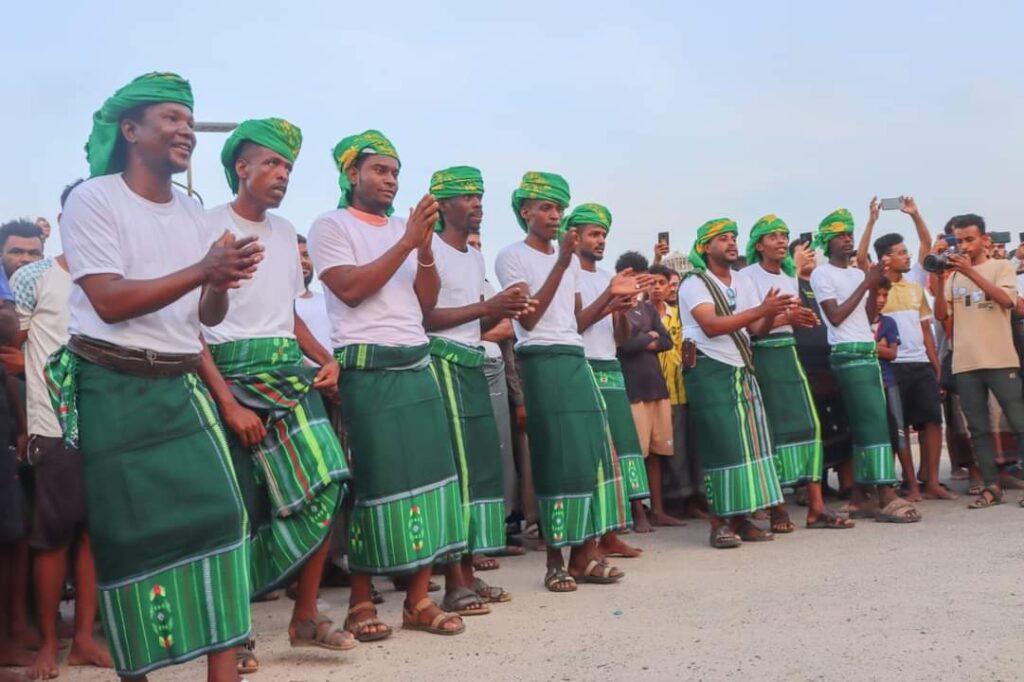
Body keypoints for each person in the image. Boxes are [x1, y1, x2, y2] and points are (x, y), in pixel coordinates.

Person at [48, 72, 263, 681]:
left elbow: (205, 317)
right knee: (129, 539)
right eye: (172, 118)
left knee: (223, 516)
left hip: (180, 384)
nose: (186, 131)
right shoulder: (94, 199)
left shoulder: (193, 211)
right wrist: (203, 269)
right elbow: (109, 301)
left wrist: (218, 282)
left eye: (190, 121)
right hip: (113, 385)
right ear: (131, 129)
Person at [196, 119, 354, 673]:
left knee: (326, 480)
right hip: (225, 372)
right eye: (271, 163)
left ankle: (306, 614)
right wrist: (228, 402)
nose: (282, 174)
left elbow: (287, 315)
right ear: (241, 167)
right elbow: (190, 324)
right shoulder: (205, 223)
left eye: (288, 166)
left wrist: (324, 358)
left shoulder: (287, 232)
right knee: (238, 508)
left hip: (286, 369)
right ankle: (233, 634)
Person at [308, 130, 467, 639]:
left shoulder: (406, 229)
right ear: (352, 174)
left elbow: (425, 302)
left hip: (415, 362)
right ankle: (360, 599)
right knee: (373, 483)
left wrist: (421, 249)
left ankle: (419, 600)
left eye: (395, 172)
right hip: (367, 366)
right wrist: (406, 242)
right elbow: (351, 290)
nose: (390, 180)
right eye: (380, 170)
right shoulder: (330, 225)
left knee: (430, 479)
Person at [495, 173, 635, 591]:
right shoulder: (511, 256)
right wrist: (560, 262)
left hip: (575, 356)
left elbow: (574, 322)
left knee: (588, 453)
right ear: (525, 212)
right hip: (540, 359)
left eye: (558, 207)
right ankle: (555, 560)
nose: (554, 215)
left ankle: (583, 556)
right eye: (545, 207)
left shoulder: (571, 262)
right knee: (554, 455)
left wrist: (612, 300)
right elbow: (531, 318)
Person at [12, 180, 113, 680]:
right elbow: (16, 349)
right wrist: (28, 419)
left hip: (113, 423)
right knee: (52, 538)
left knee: (95, 534)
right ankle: (49, 644)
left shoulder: (120, 276)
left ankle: (85, 641)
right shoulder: (35, 277)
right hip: (56, 429)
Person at [421, 166, 528, 614]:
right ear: (442, 205)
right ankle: (452, 581)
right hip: (441, 361)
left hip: (473, 363)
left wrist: (508, 308)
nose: (477, 204)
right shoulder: (427, 250)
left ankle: (467, 573)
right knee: (457, 473)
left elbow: (477, 319)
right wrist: (489, 306)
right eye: (467, 197)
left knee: (480, 470)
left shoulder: (473, 257)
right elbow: (424, 318)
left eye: (480, 196)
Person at [679, 218, 788, 548]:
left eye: (733, 238)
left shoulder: (742, 280)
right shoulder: (694, 282)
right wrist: (761, 309)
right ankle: (718, 523)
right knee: (721, 445)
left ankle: (741, 518)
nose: (730, 243)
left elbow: (757, 330)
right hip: (710, 369)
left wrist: (772, 312)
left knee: (750, 445)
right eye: (722, 239)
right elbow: (710, 326)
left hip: (741, 367)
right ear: (705, 247)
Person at [809, 209, 921, 523]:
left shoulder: (858, 274)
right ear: (827, 241)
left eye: (849, 233)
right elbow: (834, 316)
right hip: (847, 353)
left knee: (867, 423)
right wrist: (866, 283)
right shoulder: (822, 274)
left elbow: (870, 316)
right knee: (872, 422)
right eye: (840, 235)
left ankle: (861, 497)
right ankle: (885, 492)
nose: (847, 239)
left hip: (866, 352)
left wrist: (873, 285)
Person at [744, 215, 853, 529]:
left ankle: (816, 507)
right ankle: (777, 506)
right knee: (772, 432)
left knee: (811, 426)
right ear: (758, 244)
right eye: (773, 236)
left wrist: (796, 318)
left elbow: (786, 318)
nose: (780, 240)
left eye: (784, 235)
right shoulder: (747, 276)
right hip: (764, 357)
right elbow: (754, 327)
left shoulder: (790, 276)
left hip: (791, 354)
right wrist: (783, 317)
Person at [858, 197, 951, 501]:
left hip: (921, 363)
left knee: (931, 421)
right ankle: (906, 485)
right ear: (886, 259)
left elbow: (925, 329)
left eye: (906, 251)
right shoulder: (877, 285)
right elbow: (861, 257)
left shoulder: (914, 284)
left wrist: (915, 214)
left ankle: (932, 481)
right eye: (900, 253)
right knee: (898, 425)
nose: (907, 256)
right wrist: (871, 221)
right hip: (892, 366)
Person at [568, 204, 649, 551]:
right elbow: (575, 324)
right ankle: (592, 538)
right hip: (584, 365)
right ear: (576, 236)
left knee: (622, 448)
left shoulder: (606, 277)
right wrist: (609, 299)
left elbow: (620, 336)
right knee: (595, 453)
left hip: (610, 366)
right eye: (594, 234)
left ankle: (614, 533)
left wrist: (623, 309)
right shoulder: (567, 273)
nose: (600, 241)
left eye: (604, 235)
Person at [932, 214, 1024, 508]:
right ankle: (991, 486)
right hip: (966, 363)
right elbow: (940, 315)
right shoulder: (955, 275)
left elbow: (1008, 302)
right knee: (978, 429)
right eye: (959, 241)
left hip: (1000, 359)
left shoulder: (1001, 266)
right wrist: (938, 278)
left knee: (1019, 421)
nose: (964, 246)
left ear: (985, 239)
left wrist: (971, 272)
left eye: (969, 240)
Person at [614, 251, 685, 530]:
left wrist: (645, 338)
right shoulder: (617, 310)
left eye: (640, 277)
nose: (637, 282)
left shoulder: (646, 310)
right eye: (631, 276)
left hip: (657, 387)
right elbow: (625, 345)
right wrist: (649, 337)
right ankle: (637, 512)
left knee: (657, 453)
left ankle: (658, 509)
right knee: (636, 453)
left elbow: (666, 341)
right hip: (633, 390)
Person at [650, 264, 706, 518]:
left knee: (688, 447)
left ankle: (692, 500)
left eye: (662, 283)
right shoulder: (641, 314)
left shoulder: (678, 314)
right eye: (652, 283)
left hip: (683, 387)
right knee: (666, 451)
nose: (658, 288)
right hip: (657, 391)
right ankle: (671, 502)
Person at [294, 235, 332, 353]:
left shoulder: (328, 301)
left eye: (306, 255)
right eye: (294, 256)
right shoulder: (275, 305)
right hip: (298, 371)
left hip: (335, 369)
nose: (303, 261)